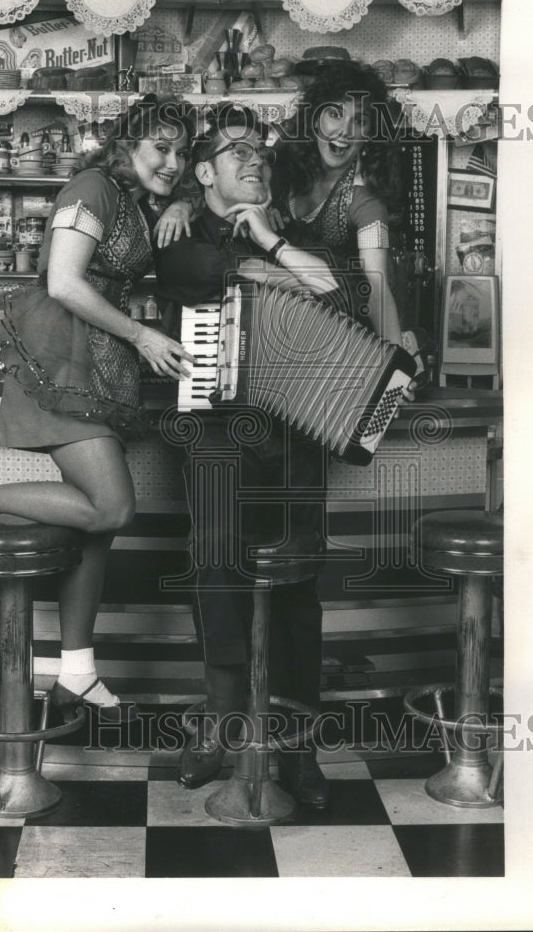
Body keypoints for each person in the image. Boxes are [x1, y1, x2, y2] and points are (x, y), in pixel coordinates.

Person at [0, 96, 195, 723]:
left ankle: (77, 674)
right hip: (62, 356)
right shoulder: (92, 185)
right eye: (160, 149)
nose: (173, 162)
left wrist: (180, 201)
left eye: (182, 153)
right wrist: (143, 335)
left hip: (98, 365)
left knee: (94, 528)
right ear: (126, 146)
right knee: (112, 505)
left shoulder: (137, 200)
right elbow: (64, 281)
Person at [154, 104, 348, 809]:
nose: (254, 160)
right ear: (203, 172)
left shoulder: (293, 230)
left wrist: (270, 238)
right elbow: (246, 275)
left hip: (296, 425)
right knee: (216, 556)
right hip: (215, 425)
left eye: (259, 151)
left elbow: (340, 294)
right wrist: (275, 263)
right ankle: (223, 719)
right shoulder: (177, 237)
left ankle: (295, 745)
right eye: (236, 151)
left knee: (302, 577)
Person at [273, 61, 405, 345]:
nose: (345, 130)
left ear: (370, 133)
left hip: (336, 333)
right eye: (335, 114)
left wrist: (399, 365)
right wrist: (184, 206)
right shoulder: (278, 164)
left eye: (359, 120)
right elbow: (223, 186)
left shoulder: (365, 203)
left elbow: (377, 287)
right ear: (314, 119)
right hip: (270, 314)